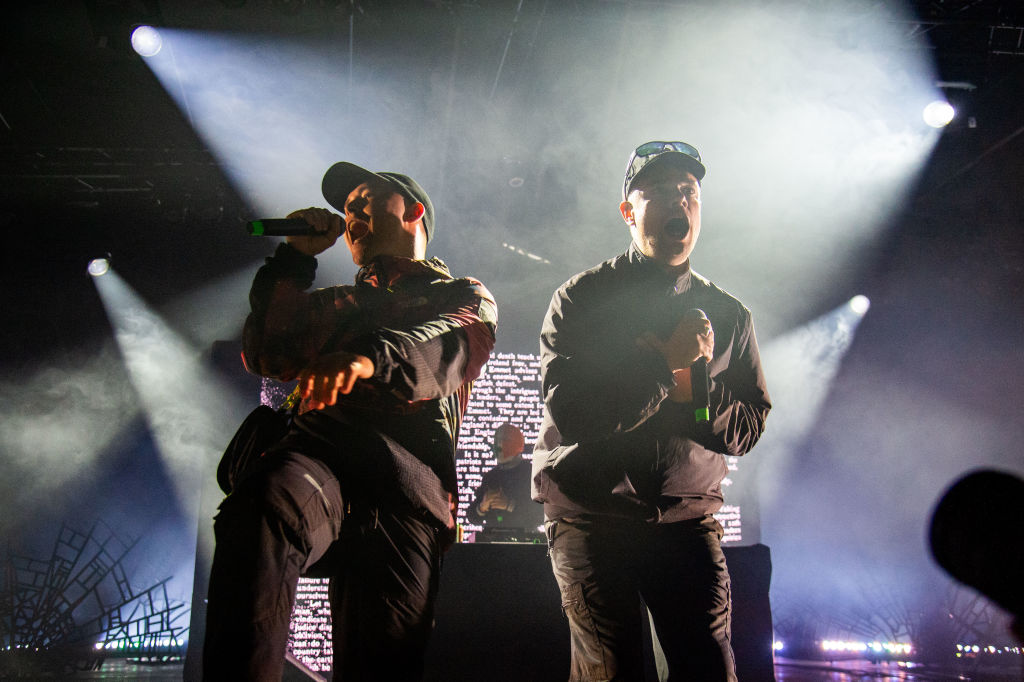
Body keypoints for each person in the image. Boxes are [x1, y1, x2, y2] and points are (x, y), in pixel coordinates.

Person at [203, 162, 497, 681]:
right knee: (261, 506)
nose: (351, 212)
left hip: (406, 489)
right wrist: (292, 260)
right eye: (345, 207)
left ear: (414, 212)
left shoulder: (461, 294)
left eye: (365, 198)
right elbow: (268, 348)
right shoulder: (338, 303)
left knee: (383, 660)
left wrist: (367, 359)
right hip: (318, 458)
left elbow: (448, 345)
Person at [532, 141, 771, 681]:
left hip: (686, 521)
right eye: (659, 193)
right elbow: (575, 412)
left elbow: (749, 426)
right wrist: (665, 367)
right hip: (591, 518)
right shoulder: (581, 300)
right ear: (629, 212)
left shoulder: (730, 314)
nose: (677, 204)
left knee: (708, 669)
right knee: (611, 673)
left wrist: (696, 394)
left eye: (688, 193)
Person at [468, 422, 543, 540]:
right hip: (492, 543)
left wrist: (509, 505)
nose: (499, 444)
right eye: (496, 439)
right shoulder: (490, 476)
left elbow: (540, 515)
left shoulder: (531, 474)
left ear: (518, 444)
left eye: (505, 439)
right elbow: (472, 517)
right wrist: (482, 507)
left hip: (523, 544)